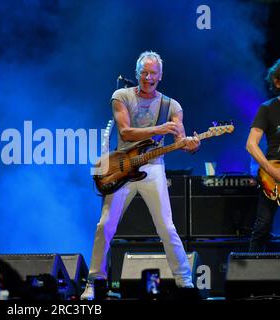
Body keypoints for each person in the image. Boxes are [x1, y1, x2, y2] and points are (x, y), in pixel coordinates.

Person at [81, 51, 200, 300]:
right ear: (137, 74)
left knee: (167, 227)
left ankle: (185, 282)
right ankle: (94, 282)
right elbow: (125, 130)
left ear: (160, 75)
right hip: (123, 166)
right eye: (144, 73)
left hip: (154, 167)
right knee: (105, 225)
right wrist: (160, 128)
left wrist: (190, 144)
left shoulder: (172, 106)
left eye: (153, 73)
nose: (148, 77)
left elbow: (180, 139)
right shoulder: (121, 96)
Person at [246, 59, 280, 252]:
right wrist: (271, 171)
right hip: (273, 174)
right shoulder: (268, 109)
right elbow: (251, 144)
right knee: (263, 226)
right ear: (277, 82)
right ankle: (251, 277)